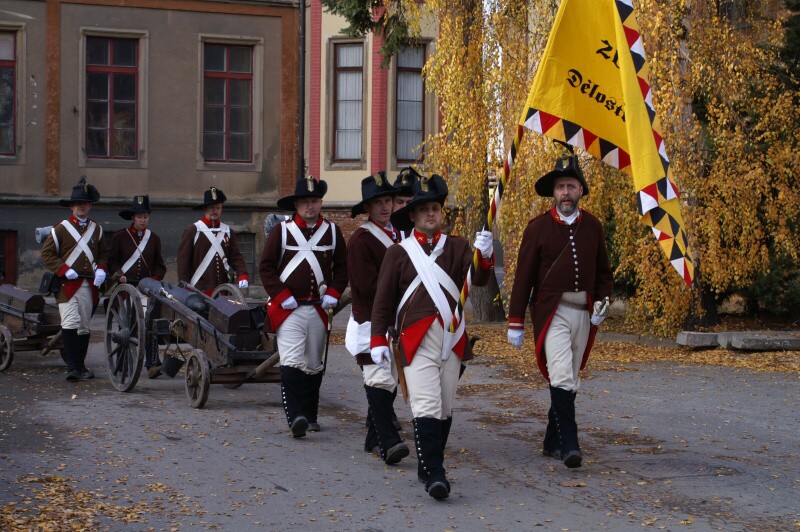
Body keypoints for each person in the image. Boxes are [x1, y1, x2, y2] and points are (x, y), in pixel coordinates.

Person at [370, 174, 495, 500]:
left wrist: (485, 256)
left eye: (435, 208)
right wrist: (377, 340)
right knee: (425, 402)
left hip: (452, 338)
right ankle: (436, 474)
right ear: (411, 215)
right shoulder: (398, 253)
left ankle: (428, 465)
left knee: (444, 406)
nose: (430, 214)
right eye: (423, 209)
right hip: (415, 339)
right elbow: (383, 301)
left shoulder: (457, 247)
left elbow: (478, 280)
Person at [506, 147, 614, 469]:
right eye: (560, 187)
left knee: (571, 378)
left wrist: (602, 304)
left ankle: (552, 440)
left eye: (571, 186)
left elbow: (605, 274)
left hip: (584, 313)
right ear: (553, 193)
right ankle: (570, 445)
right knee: (562, 374)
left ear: (580, 190)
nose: (565, 193)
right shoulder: (536, 228)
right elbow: (523, 276)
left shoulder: (593, 227)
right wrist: (515, 321)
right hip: (552, 313)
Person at [259, 176, 348, 438]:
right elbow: (266, 267)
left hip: (319, 307)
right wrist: (281, 294)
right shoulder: (282, 231)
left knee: (313, 363)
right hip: (289, 308)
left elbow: (342, 268)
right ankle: (295, 415)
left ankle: (310, 415)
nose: (310, 206)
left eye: (315, 201)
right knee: (292, 360)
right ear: (296, 205)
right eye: (305, 202)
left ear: (321, 203)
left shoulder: (332, 232)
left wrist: (334, 292)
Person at [346, 171, 409, 465]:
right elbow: (367, 286)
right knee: (379, 378)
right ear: (368, 209)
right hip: (371, 320)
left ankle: (373, 437)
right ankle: (388, 442)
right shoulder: (361, 240)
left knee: (391, 380)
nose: (385, 207)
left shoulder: (400, 236)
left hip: (396, 319)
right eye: (378, 203)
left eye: (389, 201)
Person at [40, 178, 108, 381]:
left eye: (85, 203)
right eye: (78, 203)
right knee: (70, 323)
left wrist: (102, 270)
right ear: (72, 206)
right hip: (67, 285)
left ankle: (80, 366)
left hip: (89, 284)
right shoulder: (61, 228)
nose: (82, 207)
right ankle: (73, 368)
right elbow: (47, 254)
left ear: (90, 206)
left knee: (84, 327)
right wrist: (63, 269)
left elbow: (103, 254)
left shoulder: (97, 230)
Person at [109, 194, 168, 378]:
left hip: (145, 288)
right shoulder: (120, 236)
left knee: (149, 322)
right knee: (126, 325)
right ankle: (123, 363)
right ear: (133, 218)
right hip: (126, 289)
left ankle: (152, 364)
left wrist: (154, 280)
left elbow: (160, 265)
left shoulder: (154, 238)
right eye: (139, 217)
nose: (143, 220)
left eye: (145, 217)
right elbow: (113, 262)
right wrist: (120, 276)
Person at [177, 187, 249, 295]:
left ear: (221, 209)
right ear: (205, 209)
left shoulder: (227, 231)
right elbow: (183, 262)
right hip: (198, 290)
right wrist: (184, 286)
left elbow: (236, 257)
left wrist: (242, 274)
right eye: (211, 207)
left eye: (217, 207)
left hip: (222, 290)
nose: (214, 211)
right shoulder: (193, 230)